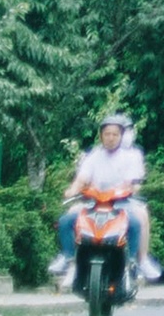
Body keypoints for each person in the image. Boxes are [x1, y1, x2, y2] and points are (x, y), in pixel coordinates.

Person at [60, 114, 150, 290]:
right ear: (101, 135)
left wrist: (129, 189)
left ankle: (131, 264)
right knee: (66, 220)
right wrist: (72, 190)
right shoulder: (93, 156)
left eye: (115, 134)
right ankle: (71, 262)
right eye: (107, 134)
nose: (110, 138)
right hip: (94, 202)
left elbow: (133, 183)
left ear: (121, 136)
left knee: (134, 221)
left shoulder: (130, 157)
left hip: (121, 202)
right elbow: (82, 179)